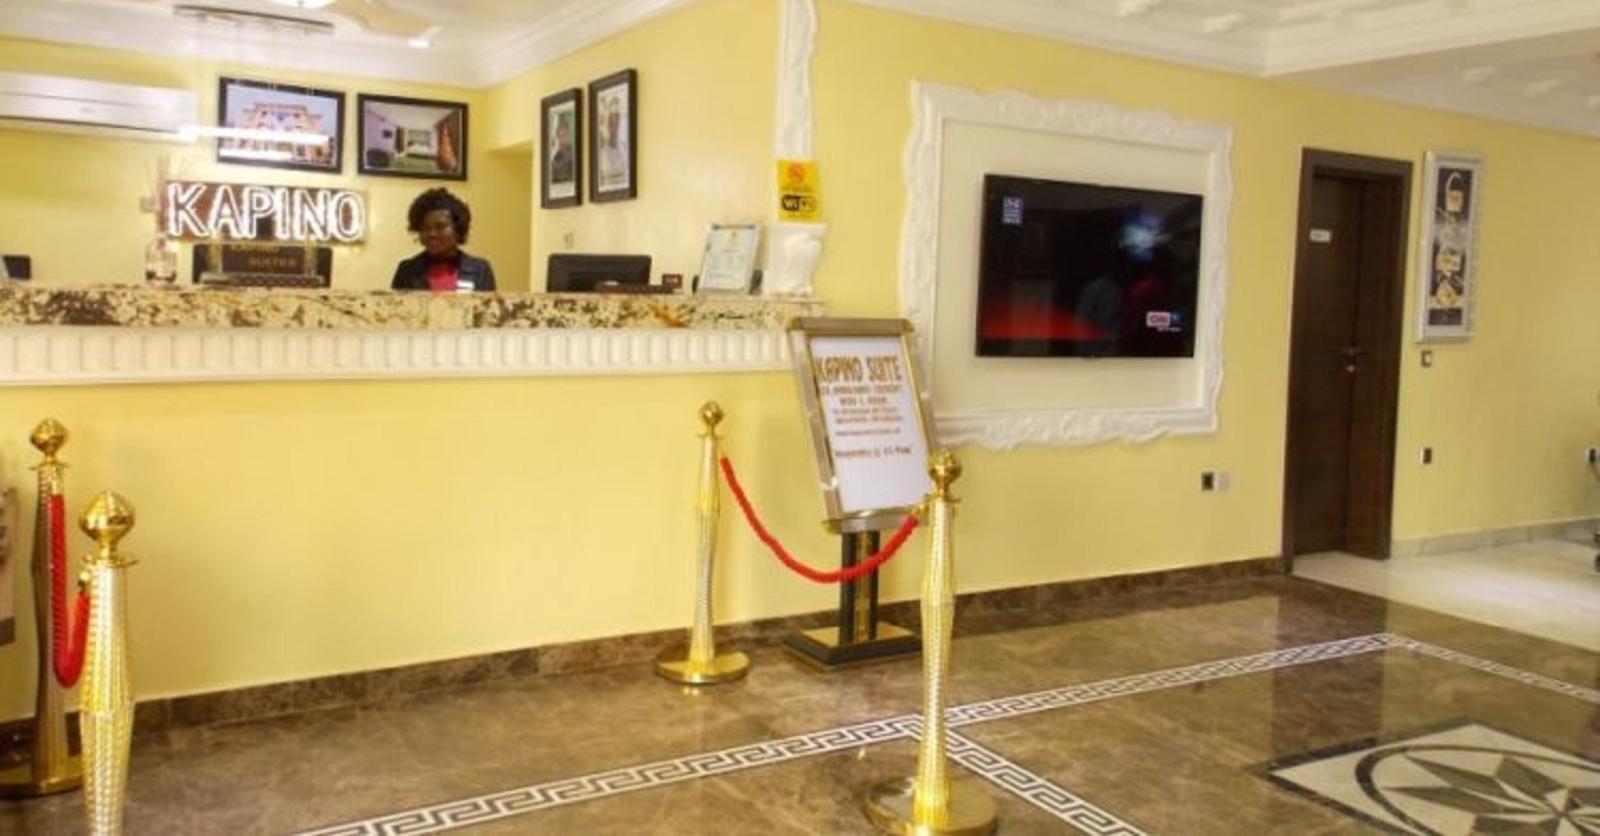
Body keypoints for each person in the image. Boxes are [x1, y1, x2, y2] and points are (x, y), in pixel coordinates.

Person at [391, 188, 496, 292]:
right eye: (426, 227)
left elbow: (488, 303)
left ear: (458, 228)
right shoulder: (406, 271)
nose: (432, 233)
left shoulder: (480, 270)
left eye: (440, 227)